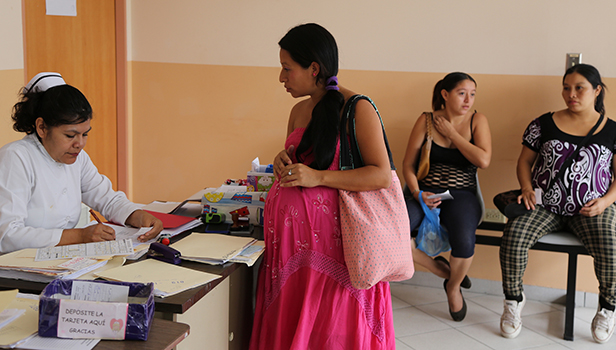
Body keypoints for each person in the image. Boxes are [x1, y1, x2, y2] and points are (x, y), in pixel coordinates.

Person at [249, 23, 396, 349]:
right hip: (289, 255)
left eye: (287, 68)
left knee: (333, 329)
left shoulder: (359, 108)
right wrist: (281, 160)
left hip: (339, 254)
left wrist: (319, 178)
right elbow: (299, 161)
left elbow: (381, 175)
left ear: (313, 68)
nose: (281, 77)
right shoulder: (298, 111)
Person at [0, 72, 163, 273]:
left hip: (54, 266)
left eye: (85, 134)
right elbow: (8, 236)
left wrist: (138, 215)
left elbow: (107, 199)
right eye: (70, 135)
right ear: (41, 127)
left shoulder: (77, 158)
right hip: (2, 275)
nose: (79, 144)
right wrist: (79, 236)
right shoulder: (14, 159)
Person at [499, 63, 616, 343]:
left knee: (611, 243)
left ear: (596, 90)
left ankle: (608, 307)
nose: (571, 94)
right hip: (544, 206)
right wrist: (526, 188)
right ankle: (513, 301)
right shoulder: (544, 123)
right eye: (566, 88)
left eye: (579, 88)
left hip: (591, 209)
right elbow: (525, 161)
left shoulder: (612, 130)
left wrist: (605, 203)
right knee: (514, 235)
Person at [401, 72, 492, 321]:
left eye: (472, 94)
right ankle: (442, 270)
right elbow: (407, 165)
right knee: (395, 230)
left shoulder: (477, 120)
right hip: (426, 193)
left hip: (461, 194)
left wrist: (452, 134)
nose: (468, 100)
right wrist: (418, 193)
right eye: (462, 93)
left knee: (465, 240)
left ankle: (453, 287)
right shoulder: (426, 121)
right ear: (445, 94)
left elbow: (483, 160)